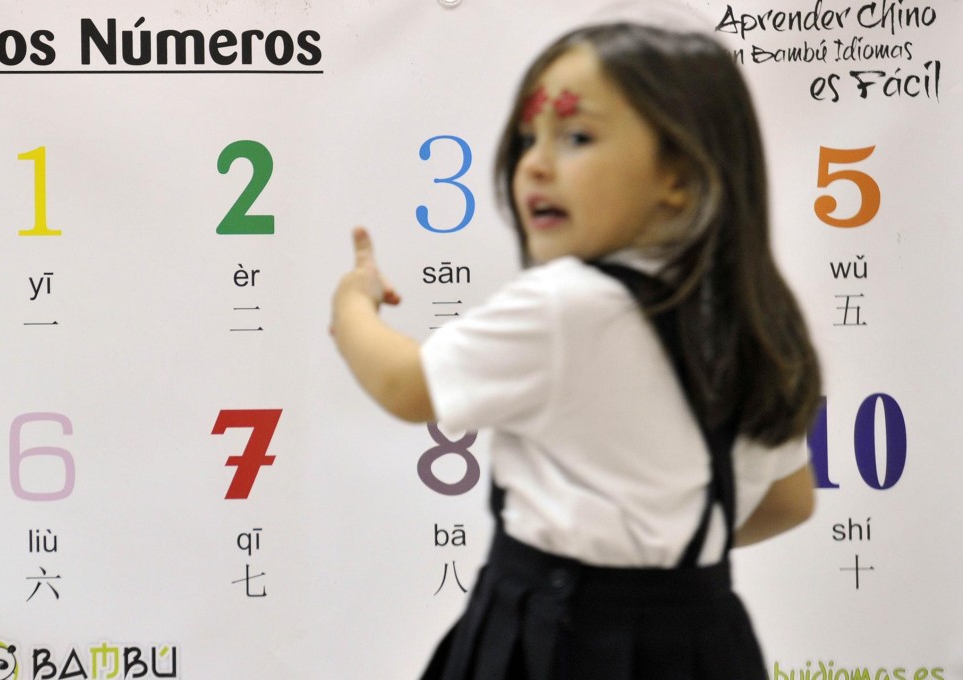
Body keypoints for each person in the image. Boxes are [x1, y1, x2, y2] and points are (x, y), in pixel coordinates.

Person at [331, 16, 821, 680]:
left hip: (555, 633)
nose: (534, 162)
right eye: (530, 137)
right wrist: (658, 554)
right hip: (704, 635)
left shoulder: (568, 306)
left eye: (577, 137)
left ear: (679, 173)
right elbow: (790, 500)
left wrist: (352, 305)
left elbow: (405, 386)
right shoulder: (749, 315)